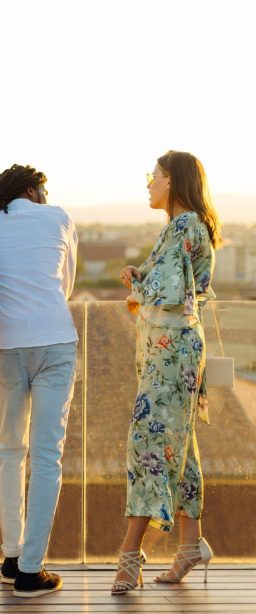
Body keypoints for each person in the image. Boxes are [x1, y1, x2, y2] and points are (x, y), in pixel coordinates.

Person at [110, 151, 220, 595]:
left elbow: (172, 294)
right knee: (179, 446)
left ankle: (130, 555)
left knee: (148, 443)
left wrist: (136, 283)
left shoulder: (187, 225)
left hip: (173, 354)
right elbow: (174, 285)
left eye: (153, 177)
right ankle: (191, 544)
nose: (148, 184)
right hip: (168, 354)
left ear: (172, 181)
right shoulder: (179, 228)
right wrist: (141, 276)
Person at [0, 164, 78, 597]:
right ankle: (32, 571)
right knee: (47, 456)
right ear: (33, 190)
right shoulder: (59, 217)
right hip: (53, 340)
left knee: (9, 449)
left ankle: (12, 557)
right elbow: (64, 286)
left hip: (7, 342)